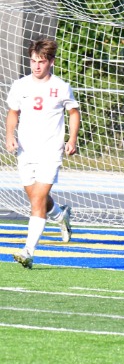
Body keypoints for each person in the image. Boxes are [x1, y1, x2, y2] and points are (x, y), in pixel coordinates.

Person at [6, 38, 80, 269]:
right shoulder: (20, 85)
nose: (37, 66)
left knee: (37, 200)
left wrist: (72, 139)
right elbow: (13, 113)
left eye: (41, 61)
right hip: (25, 150)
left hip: (50, 151)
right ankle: (59, 215)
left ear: (51, 62)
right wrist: (9, 136)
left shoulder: (61, 87)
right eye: (33, 61)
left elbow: (74, 113)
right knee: (36, 198)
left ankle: (28, 251)